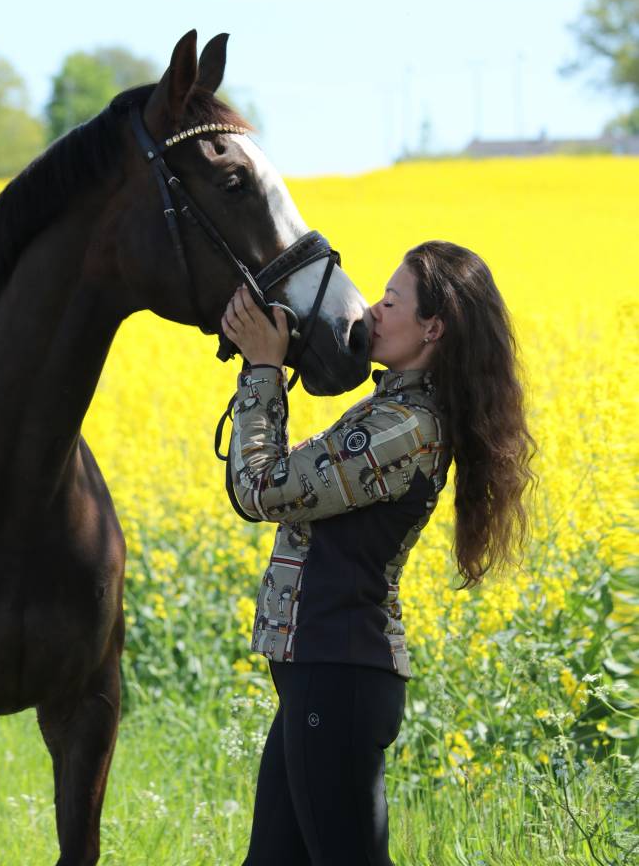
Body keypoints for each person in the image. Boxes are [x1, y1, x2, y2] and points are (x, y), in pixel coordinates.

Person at [221, 240, 535, 866]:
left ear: (432, 328)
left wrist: (263, 370)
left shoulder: (403, 430)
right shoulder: (394, 411)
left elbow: (260, 488)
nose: (371, 310)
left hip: (337, 676)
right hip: (324, 674)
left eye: (392, 301)